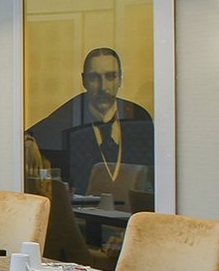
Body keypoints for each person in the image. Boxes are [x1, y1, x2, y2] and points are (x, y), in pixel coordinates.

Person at [23, 46, 153, 202]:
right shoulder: (63, 122)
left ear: (120, 79)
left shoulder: (138, 117)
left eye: (110, 76)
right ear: (84, 80)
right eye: (94, 78)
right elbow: (31, 141)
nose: (103, 87)